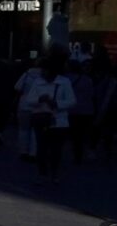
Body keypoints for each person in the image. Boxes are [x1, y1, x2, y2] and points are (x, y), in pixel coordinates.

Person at [16, 48, 76, 183]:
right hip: (41, 118)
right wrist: (40, 99)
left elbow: (72, 101)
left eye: (45, 70)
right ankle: (42, 173)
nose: (43, 73)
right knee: (41, 148)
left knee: (56, 149)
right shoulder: (38, 82)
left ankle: (55, 173)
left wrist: (57, 103)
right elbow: (29, 100)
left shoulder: (64, 82)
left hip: (58, 120)